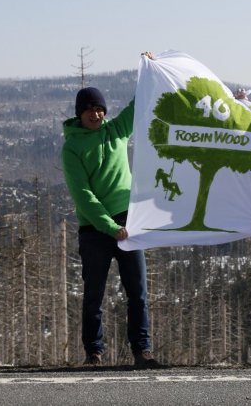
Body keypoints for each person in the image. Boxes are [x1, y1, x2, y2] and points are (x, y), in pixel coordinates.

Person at [61, 84, 160, 368]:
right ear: (80, 113)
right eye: (90, 109)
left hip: (128, 222)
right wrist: (109, 226)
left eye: (100, 109)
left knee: (137, 292)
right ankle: (94, 353)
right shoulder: (72, 148)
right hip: (95, 230)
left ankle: (142, 350)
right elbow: (83, 196)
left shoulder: (116, 131)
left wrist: (149, 71)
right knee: (94, 295)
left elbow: (139, 104)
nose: (96, 114)